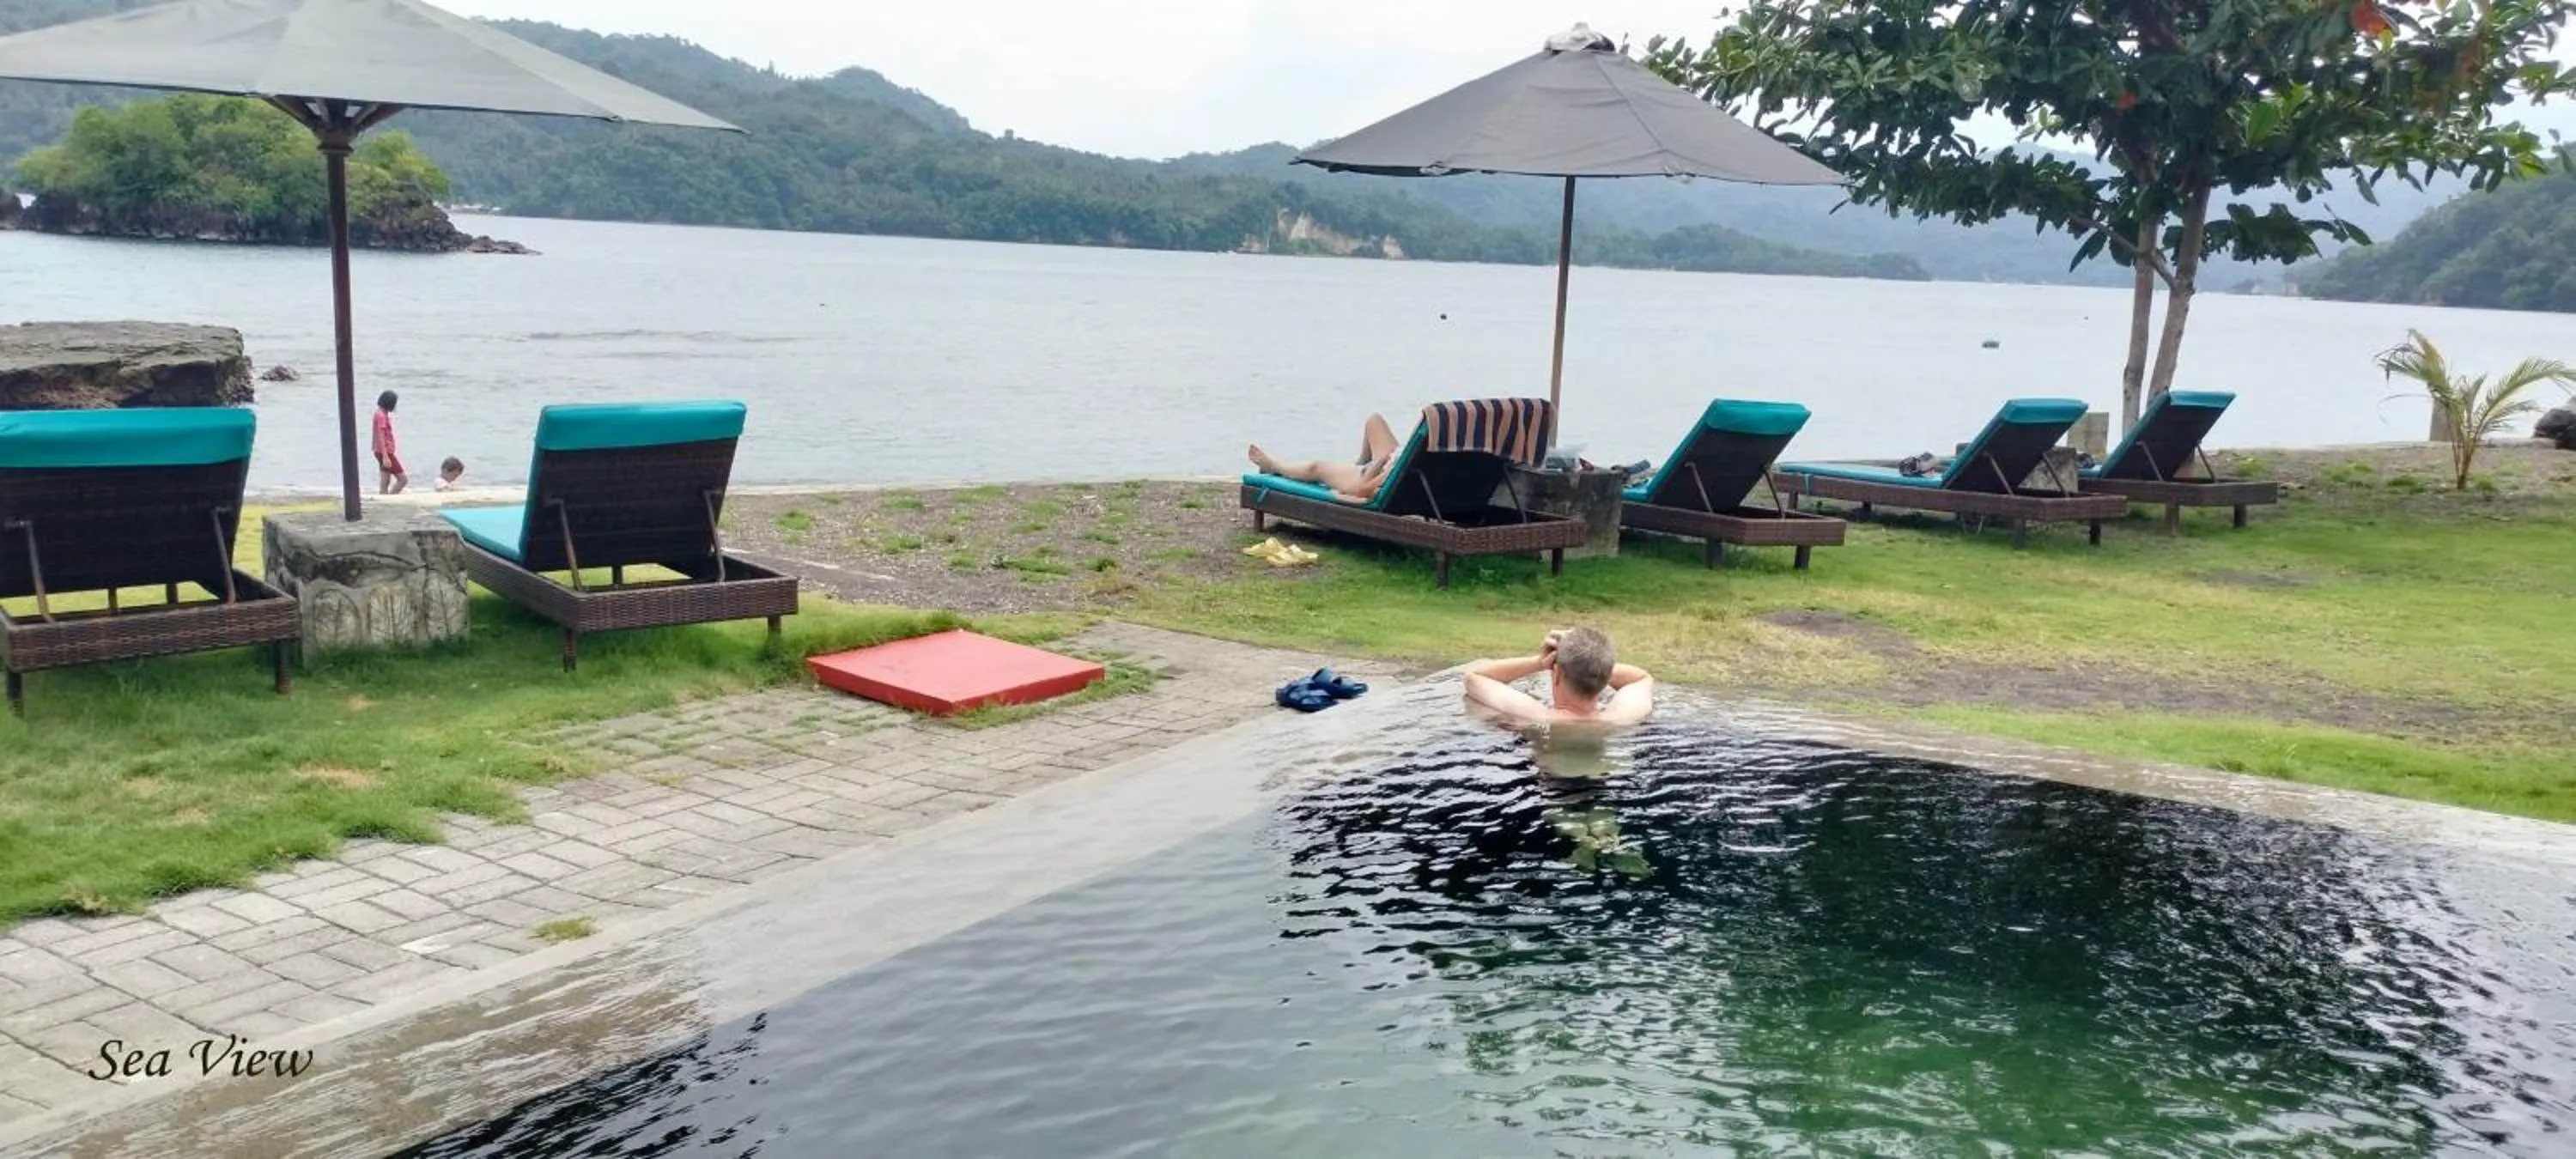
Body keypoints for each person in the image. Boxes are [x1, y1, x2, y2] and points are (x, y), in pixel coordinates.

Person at [1464, 627, 1655, 726]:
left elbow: (1476, 677)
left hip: (1548, 789)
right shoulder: (1623, 717)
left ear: (1557, 674)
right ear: (1606, 677)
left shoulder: (1535, 716)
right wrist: (1595, 663)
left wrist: (1539, 662)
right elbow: (1641, 678)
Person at [1249, 413, 1404, 505]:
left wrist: (1381, 461)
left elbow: (1361, 491)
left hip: (1376, 473)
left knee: (1317, 468)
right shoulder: (1415, 461)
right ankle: (1357, 465)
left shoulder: (1398, 475)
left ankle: (1274, 466)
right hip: (1394, 460)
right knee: (1374, 420)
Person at [372, 390, 407, 495]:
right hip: (385, 451)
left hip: (380, 450)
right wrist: (385, 456)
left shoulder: (380, 413)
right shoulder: (381, 416)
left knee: (385, 479)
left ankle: (383, 497)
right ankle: (391, 496)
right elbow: (381, 435)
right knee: (403, 479)